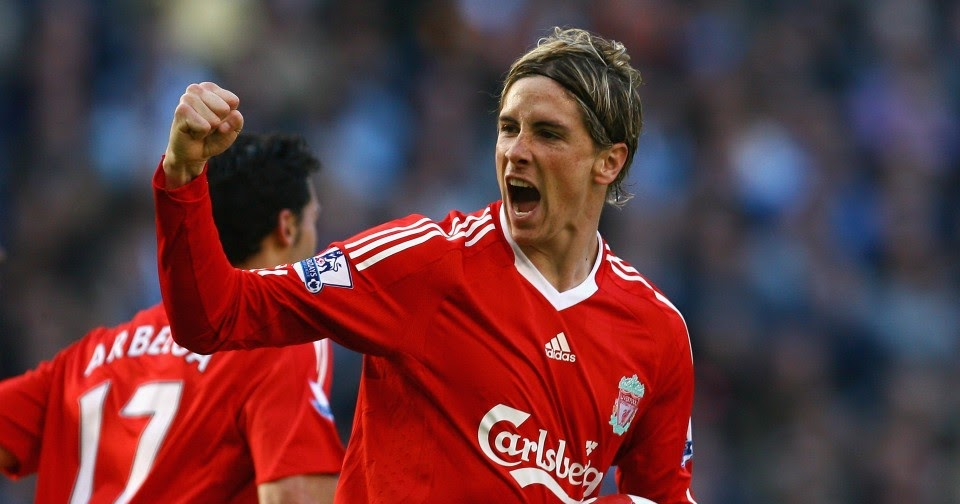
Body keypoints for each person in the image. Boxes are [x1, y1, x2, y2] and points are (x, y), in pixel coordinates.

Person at [153, 27, 696, 504]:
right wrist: (183, 176)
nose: (516, 151)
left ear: (609, 161)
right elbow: (216, 315)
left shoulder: (655, 333)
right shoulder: (426, 264)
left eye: (548, 133)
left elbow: (665, 494)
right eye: (509, 128)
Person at [0, 133, 345, 503]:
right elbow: (293, 495)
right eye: (314, 219)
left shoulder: (90, 356)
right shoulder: (279, 338)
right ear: (287, 228)